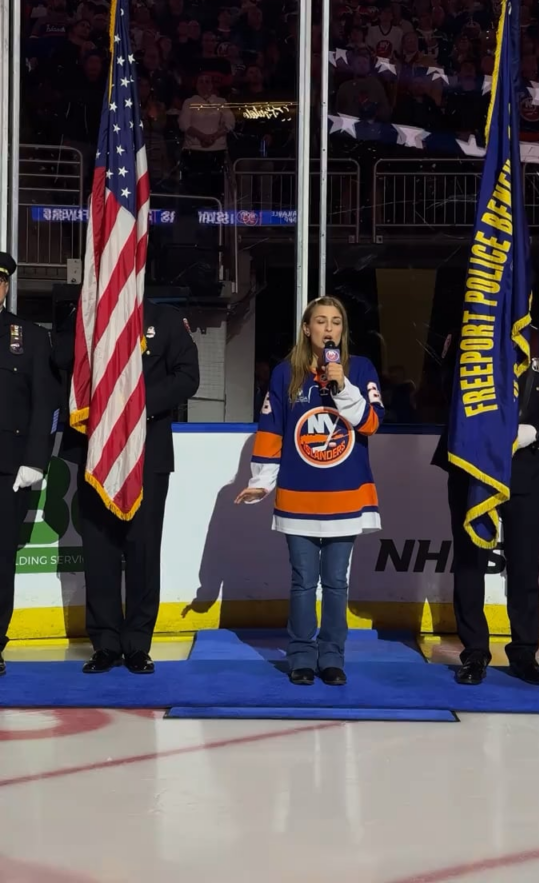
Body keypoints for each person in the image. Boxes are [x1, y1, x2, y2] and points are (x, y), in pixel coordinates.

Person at [235, 296, 385, 686]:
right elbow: (272, 432)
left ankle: (332, 656)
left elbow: (370, 423)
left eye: (336, 321)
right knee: (303, 580)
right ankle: (301, 655)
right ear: (307, 329)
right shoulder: (286, 374)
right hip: (299, 496)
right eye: (321, 321)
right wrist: (260, 483)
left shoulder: (361, 369)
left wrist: (342, 386)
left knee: (336, 581)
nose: (329, 328)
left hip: (346, 495)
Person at [53, 300, 200, 675]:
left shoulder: (163, 318)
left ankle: (137, 644)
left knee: (143, 549)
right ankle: (104, 643)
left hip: (146, 452)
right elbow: (60, 362)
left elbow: (187, 376)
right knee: (98, 552)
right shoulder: (84, 315)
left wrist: (136, 406)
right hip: (95, 450)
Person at [433, 325, 539, 686]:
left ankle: (524, 653)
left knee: (525, 567)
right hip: (473, 467)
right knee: (470, 562)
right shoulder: (470, 340)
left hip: (527, 469)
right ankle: (475, 653)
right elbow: (439, 398)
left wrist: (533, 432)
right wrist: (452, 355)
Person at [0, 253, 59, 675]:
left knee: (1, 559)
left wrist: (36, 459)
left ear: (5, 287)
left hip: (9, 470)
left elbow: (45, 403)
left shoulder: (31, 337)